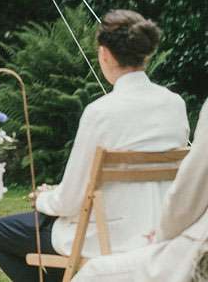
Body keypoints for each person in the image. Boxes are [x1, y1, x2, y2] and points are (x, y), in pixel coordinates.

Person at [0, 9, 189, 282]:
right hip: (159, 233)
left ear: (104, 54)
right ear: (146, 55)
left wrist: (43, 199)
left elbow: (71, 201)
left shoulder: (101, 112)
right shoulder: (174, 104)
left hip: (106, 236)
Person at [73, 96, 208, 281]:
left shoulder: (97, 111)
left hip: (196, 252)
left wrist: (162, 236)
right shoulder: (175, 104)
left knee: (92, 274)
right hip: (154, 226)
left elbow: (189, 195)